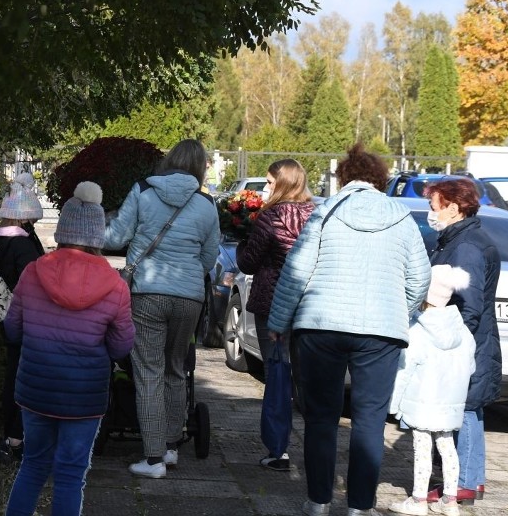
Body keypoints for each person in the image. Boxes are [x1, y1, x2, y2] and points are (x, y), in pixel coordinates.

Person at [267, 143, 431, 516]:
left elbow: (297, 270)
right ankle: (360, 506)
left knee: (321, 417)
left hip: (321, 327)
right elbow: (420, 278)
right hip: (381, 333)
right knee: (370, 420)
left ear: (343, 177)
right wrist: (399, 314)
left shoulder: (325, 212)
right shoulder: (402, 217)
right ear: (380, 179)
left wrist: (279, 322)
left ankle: (318, 500)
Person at [3, 181, 135, 516]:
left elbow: (12, 329)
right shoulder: (116, 287)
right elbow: (122, 346)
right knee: (70, 474)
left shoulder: (33, 272)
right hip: (83, 395)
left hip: (36, 389)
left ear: (62, 230)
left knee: (32, 466)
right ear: (97, 235)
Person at [103, 139, 220, 479]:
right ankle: (170, 446)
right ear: (200, 168)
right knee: (176, 368)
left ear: (169, 161)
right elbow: (209, 259)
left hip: (147, 292)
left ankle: (153, 458)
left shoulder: (143, 190)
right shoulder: (207, 205)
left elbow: (115, 237)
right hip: (189, 298)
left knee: (148, 371)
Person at [423, 178, 502, 506]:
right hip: (474, 341)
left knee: (465, 409)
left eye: (434, 205)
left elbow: (468, 303)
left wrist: (451, 345)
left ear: (453, 208)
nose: (431, 211)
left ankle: (464, 484)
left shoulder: (466, 245)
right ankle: (473, 479)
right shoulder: (460, 239)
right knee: (471, 409)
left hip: (464, 341)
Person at [235, 159, 315, 471]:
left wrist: (242, 240)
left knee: (277, 374)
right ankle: (315, 445)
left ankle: (278, 449)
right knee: (305, 376)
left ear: (281, 184)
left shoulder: (270, 217)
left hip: (272, 301)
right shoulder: (316, 215)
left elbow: (249, 262)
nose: (266, 188)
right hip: (308, 305)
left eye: (269, 182)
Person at [388, 265, 476, 516]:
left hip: (422, 402)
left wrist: (393, 405)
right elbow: (470, 366)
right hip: (450, 403)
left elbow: (403, 371)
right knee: (448, 447)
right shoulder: (462, 329)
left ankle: (417, 500)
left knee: (422, 449)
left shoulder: (417, 331)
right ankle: (449, 501)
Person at [0, 172, 45, 464]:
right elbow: (34, 279)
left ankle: (10, 434)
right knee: (26, 377)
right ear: (23, 219)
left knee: (12, 375)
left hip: (2, 313)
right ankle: (18, 437)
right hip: (27, 315)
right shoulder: (22, 245)